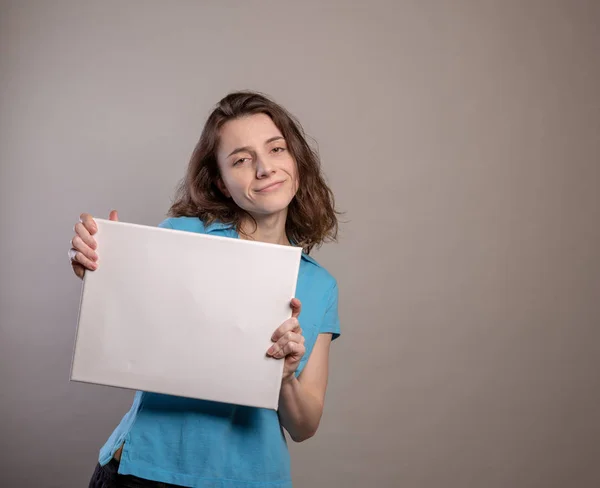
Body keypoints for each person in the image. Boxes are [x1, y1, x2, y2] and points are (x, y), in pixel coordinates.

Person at [68, 91, 341, 488]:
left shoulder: (320, 285)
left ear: (296, 162)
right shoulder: (181, 237)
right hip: (144, 471)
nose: (265, 168)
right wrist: (98, 267)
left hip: (252, 480)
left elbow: (304, 425)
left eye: (276, 149)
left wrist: (283, 377)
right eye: (242, 159)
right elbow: (125, 325)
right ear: (222, 182)